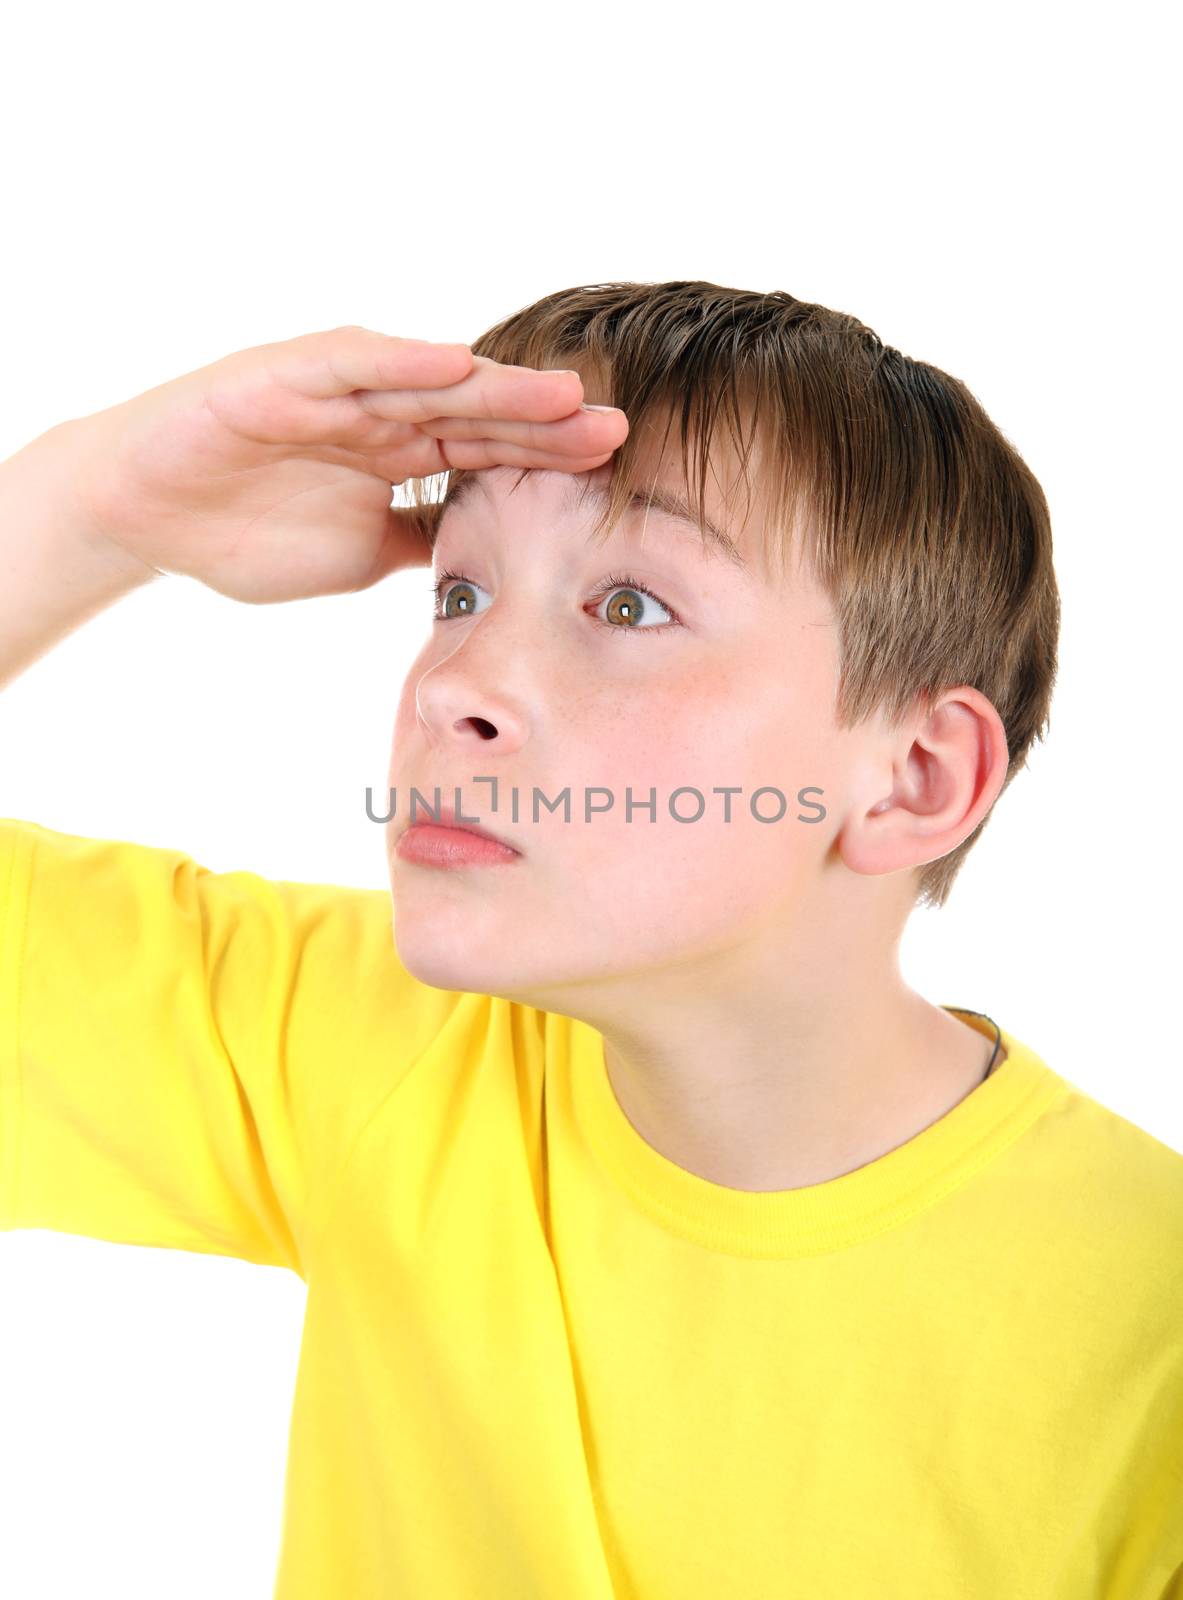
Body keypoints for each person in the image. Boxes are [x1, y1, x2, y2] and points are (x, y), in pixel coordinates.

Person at [1, 286, 1179, 1598]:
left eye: (629, 607)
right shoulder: (358, 1041)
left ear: (912, 777)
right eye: (458, 590)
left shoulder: (1150, 1320)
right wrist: (81, 510)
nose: (453, 687)